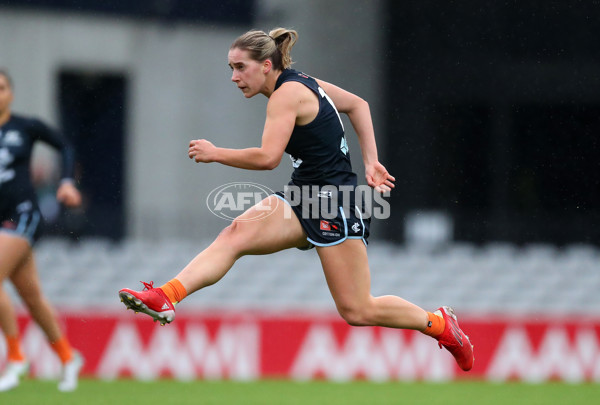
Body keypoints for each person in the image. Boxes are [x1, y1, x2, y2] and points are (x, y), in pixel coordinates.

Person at [119, 28, 474, 372]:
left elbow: (267, 158)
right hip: (304, 195)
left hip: (334, 203)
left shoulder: (286, 95)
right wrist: (370, 159)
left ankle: (439, 324)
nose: (234, 77)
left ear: (267, 65)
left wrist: (216, 153)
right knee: (235, 234)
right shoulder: (304, 82)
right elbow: (357, 105)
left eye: (240, 67)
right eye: (231, 68)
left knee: (357, 310)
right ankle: (167, 295)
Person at [0, 68, 84, 391]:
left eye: (2, 87)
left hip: (22, 215)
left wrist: (65, 182)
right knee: (31, 297)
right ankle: (67, 357)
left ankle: (17, 358)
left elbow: (64, 145)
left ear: (11, 93)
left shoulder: (25, 126)